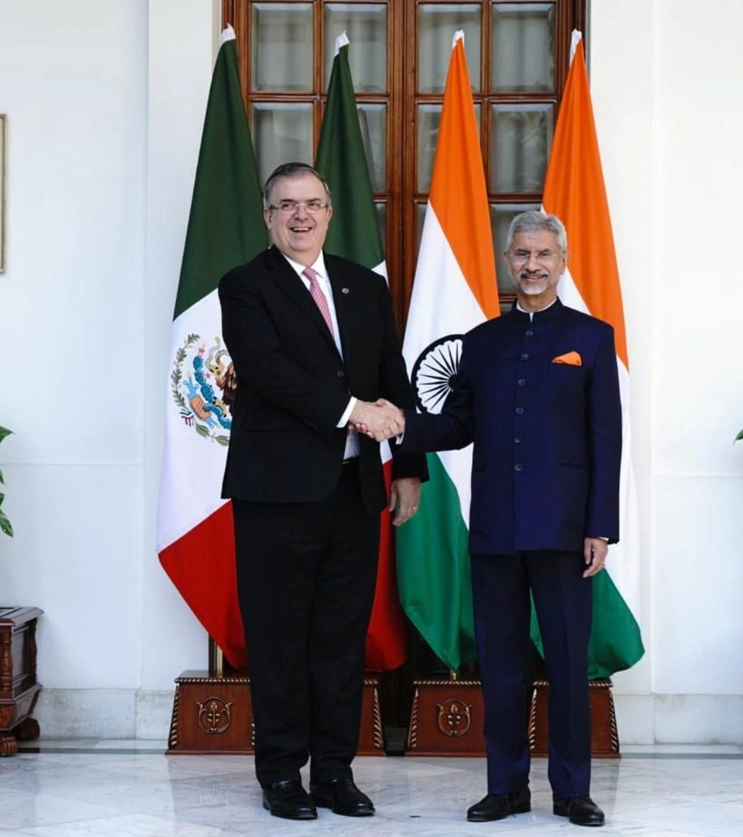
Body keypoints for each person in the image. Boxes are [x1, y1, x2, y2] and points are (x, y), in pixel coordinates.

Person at [362, 210, 621, 827]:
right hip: (497, 530)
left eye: (544, 255)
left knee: (565, 662)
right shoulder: (482, 343)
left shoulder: (591, 337)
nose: (532, 265)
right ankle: (505, 787)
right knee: (501, 666)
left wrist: (600, 526)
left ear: (561, 262)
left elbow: (605, 438)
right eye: (522, 254)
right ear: (508, 263)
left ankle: (572, 791)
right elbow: (456, 425)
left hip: (565, 532)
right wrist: (400, 424)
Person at [218, 162, 427, 821]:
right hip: (275, 492)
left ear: (330, 212)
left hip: (352, 489)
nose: (300, 215)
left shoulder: (364, 287)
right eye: (286, 205)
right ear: (268, 216)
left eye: (311, 203)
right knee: (280, 636)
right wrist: (351, 410)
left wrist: (411, 464)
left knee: (340, 636)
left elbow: (391, 371)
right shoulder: (245, 285)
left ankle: (335, 772)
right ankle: (281, 772)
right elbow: (267, 371)